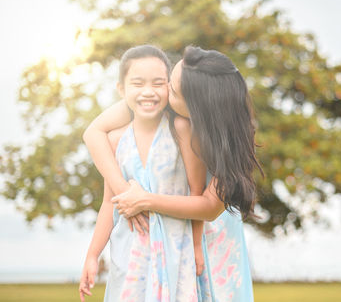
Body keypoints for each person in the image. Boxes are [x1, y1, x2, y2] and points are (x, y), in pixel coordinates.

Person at [83, 46, 263, 301]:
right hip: (172, 231)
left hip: (211, 233)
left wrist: (144, 200)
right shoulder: (155, 103)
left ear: (196, 107)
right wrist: (126, 194)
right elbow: (94, 133)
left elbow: (210, 206)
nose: (163, 90)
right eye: (170, 80)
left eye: (172, 89)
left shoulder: (228, 138)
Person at [79, 44, 207, 302]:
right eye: (137, 83)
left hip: (175, 251)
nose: (148, 92)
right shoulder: (116, 141)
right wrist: (92, 255)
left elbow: (197, 191)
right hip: (129, 254)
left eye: (158, 83)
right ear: (121, 89)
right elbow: (108, 203)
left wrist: (196, 246)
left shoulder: (181, 129)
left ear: (169, 87)